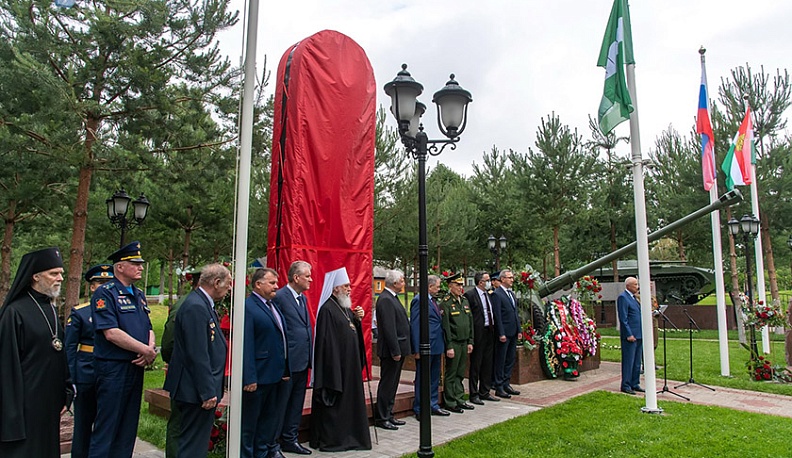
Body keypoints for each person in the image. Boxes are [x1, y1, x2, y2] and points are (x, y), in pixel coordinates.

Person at [0, 247, 74, 458]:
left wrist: (66, 390)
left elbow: (60, 352)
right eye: (53, 273)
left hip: (48, 405)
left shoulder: (50, 308)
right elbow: (6, 366)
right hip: (22, 407)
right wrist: (11, 415)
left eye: (61, 272)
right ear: (35, 276)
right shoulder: (14, 313)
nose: (60, 278)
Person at [89, 241, 156, 458]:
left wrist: (150, 349)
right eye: (135, 263)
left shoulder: (138, 294)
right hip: (113, 369)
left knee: (128, 428)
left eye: (141, 263)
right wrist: (145, 350)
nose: (141, 267)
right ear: (120, 267)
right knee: (107, 427)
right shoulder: (105, 293)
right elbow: (111, 332)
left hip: (135, 367)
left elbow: (148, 327)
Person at [163, 264, 230, 458]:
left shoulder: (202, 303)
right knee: (192, 444)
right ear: (216, 283)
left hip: (196, 388)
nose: (229, 290)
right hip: (193, 390)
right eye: (227, 285)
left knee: (197, 443)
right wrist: (207, 391)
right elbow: (197, 353)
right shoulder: (195, 306)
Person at [310, 267, 371, 452]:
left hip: (349, 368)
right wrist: (334, 369)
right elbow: (326, 344)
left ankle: (351, 437)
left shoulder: (345, 308)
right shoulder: (328, 309)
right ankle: (335, 440)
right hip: (335, 369)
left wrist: (358, 320)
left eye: (349, 286)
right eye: (345, 286)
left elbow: (351, 330)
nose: (349, 289)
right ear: (335, 288)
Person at [65, 264, 114, 458]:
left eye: (108, 282)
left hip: (112, 371)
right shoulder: (81, 312)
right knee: (84, 424)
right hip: (87, 370)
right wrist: (69, 378)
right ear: (92, 287)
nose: (104, 286)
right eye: (99, 282)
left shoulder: (118, 310)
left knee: (107, 422)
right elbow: (69, 348)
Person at [241, 268, 290, 458]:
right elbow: (247, 344)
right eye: (272, 283)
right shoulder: (249, 306)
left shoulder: (272, 305)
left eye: (276, 283)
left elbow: (280, 339)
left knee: (267, 421)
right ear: (258, 284)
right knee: (251, 423)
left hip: (274, 375)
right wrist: (249, 377)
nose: (276, 286)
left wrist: (285, 368)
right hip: (258, 377)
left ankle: (262, 453)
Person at [273, 261, 313, 455]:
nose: (311, 279)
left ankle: (290, 438)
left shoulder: (302, 299)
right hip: (287, 362)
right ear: (296, 278)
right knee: (282, 403)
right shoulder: (280, 297)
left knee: (297, 403)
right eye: (307, 276)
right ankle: (275, 442)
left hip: (302, 361)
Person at [161, 268, 202, 458]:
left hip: (193, 373)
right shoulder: (186, 305)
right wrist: (174, 362)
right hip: (183, 373)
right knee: (179, 424)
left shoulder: (200, 302)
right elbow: (169, 342)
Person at [374, 269, 409, 430]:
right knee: (387, 384)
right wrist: (395, 351)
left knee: (393, 384)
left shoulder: (392, 298)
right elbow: (389, 328)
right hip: (390, 351)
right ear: (394, 283)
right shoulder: (386, 299)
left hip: (398, 349)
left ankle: (389, 413)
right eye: (402, 280)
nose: (404, 283)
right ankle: (382, 417)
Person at [410, 274, 449, 418]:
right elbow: (415, 325)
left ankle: (433, 404)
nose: (439, 289)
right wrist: (417, 348)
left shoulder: (433, 301)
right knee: (422, 378)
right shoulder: (418, 300)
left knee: (434, 378)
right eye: (437, 286)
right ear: (430, 286)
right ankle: (420, 408)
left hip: (436, 345)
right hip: (425, 346)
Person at [464, 271, 500, 404]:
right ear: (480, 282)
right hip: (478, 333)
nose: (490, 282)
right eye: (488, 280)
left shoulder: (490, 295)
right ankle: (474, 394)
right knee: (476, 364)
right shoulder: (470, 295)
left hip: (489, 331)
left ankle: (485, 391)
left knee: (487, 363)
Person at [441, 273, 474, 413]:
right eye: (457, 284)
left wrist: (470, 341)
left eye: (461, 285)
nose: (460, 287)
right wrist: (449, 346)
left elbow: (470, 322)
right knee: (451, 373)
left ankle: (460, 398)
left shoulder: (464, 301)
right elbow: (446, 326)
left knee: (460, 372)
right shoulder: (446, 303)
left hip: (464, 342)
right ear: (450, 286)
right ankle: (450, 401)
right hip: (453, 343)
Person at [491, 268, 521, 398]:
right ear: (502, 279)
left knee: (510, 359)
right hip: (504, 333)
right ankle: (498, 386)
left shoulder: (511, 294)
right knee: (501, 360)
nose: (512, 280)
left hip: (513, 331)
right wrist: (501, 333)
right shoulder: (497, 294)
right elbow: (497, 316)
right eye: (509, 277)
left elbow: (515, 313)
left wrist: (519, 330)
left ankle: (506, 383)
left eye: (512, 277)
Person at [617, 277, 643, 395]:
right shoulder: (623, 297)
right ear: (628, 286)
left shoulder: (634, 298)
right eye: (635, 284)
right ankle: (626, 385)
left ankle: (634, 382)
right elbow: (624, 318)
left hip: (639, 334)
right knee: (629, 360)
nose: (637, 287)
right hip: (630, 335)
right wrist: (628, 334)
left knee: (637, 361)